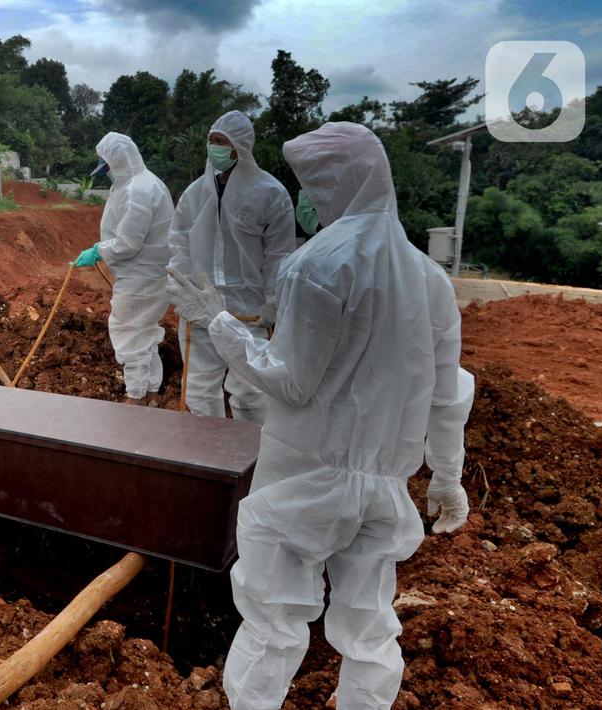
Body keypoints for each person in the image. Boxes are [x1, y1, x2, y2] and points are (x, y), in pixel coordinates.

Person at [167, 122, 474, 709]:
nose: (306, 196)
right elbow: (446, 391)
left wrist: (217, 321)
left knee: (274, 624)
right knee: (369, 626)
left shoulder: (317, 264)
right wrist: (448, 476)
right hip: (385, 487)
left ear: (335, 183)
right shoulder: (430, 279)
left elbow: (291, 381)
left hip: (307, 477)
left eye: (310, 182)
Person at [167, 110, 294, 423]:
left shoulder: (271, 194)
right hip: (201, 310)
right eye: (212, 140)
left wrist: (272, 302)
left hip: (248, 313)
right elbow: (179, 244)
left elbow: (278, 255)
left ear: (240, 147)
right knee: (198, 389)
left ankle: (248, 460)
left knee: (251, 390)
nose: (215, 147)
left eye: (222, 141)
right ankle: (208, 459)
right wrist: (183, 293)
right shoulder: (194, 194)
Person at [71, 132, 174, 406]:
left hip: (141, 277)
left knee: (128, 331)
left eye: (107, 166)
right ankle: (150, 395)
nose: (107, 172)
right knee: (145, 333)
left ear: (117, 160)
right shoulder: (141, 183)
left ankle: (135, 397)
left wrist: (98, 251)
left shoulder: (138, 190)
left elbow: (129, 242)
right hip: (148, 275)